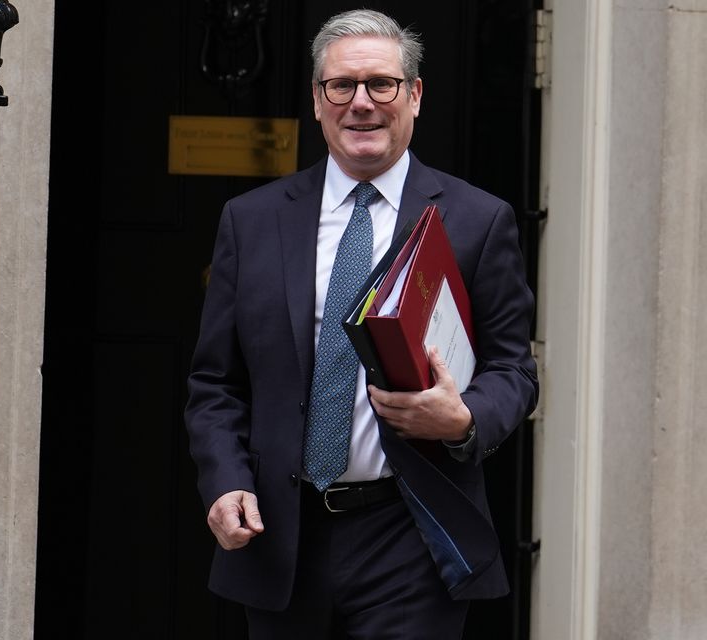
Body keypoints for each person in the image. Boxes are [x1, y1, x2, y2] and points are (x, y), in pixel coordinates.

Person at [184, 9, 538, 639]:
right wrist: (224, 482)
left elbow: (514, 368)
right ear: (318, 101)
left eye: (382, 84)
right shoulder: (252, 221)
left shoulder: (479, 222)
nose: (362, 103)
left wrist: (463, 420)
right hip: (280, 537)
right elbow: (215, 383)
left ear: (416, 96)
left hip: (410, 536)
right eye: (341, 86)